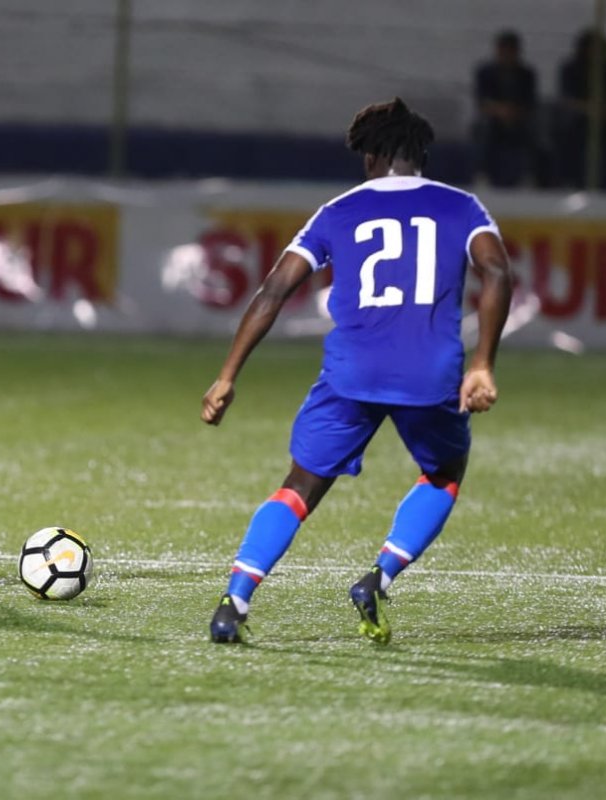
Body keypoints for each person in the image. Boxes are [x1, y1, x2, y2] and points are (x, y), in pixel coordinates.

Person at [202, 98, 513, 644]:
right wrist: (483, 362)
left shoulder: (337, 211)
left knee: (299, 486)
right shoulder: (462, 207)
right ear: (420, 153)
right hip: (430, 373)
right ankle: (378, 577)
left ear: (371, 156)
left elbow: (275, 289)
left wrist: (228, 374)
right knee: (443, 473)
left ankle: (234, 601)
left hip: (351, 374)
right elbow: (496, 271)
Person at [472, 30, 538, 187]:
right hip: (493, 118)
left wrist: (513, 113)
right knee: (484, 129)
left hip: (518, 119)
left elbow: (529, 102)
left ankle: (528, 174)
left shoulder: (526, 74)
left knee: (533, 132)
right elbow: (482, 101)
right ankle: (483, 173)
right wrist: (501, 111)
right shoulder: (485, 72)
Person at [555, 28, 606, 189]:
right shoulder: (571, 69)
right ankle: (572, 181)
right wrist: (589, 109)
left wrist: (605, 110)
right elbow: (567, 100)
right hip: (578, 123)